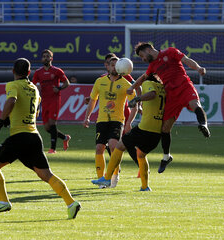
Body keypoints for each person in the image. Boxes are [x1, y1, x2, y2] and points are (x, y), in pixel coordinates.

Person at [0, 58, 81, 219]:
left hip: (19, 137)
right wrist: (14, 117)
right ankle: (71, 203)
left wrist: (1, 122)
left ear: (13, 71)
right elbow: (35, 111)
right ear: (29, 73)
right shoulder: (34, 89)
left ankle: (3, 202)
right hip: (34, 136)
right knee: (46, 174)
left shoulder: (12, 85)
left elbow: (12, 100)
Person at [127, 42, 211, 174]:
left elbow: (187, 60)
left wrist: (199, 68)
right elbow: (143, 78)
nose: (143, 59)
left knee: (195, 104)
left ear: (149, 50)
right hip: (170, 95)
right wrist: (132, 87)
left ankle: (203, 124)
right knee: (165, 128)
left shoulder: (170, 52)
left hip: (184, 86)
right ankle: (166, 157)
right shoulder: (152, 66)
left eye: (143, 56)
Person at [92, 73, 166, 191]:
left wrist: (138, 98)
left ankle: (107, 178)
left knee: (120, 146)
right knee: (141, 155)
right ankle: (145, 186)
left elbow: (151, 94)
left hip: (144, 128)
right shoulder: (162, 88)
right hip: (157, 131)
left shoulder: (148, 84)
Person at [84, 53, 142, 177]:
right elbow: (93, 99)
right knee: (100, 148)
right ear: (108, 67)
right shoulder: (100, 81)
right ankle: (101, 178)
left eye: (116, 65)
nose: (114, 67)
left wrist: (129, 121)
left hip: (118, 119)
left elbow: (135, 100)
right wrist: (87, 117)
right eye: (112, 65)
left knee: (115, 146)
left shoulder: (127, 83)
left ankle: (116, 175)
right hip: (102, 120)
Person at [32, 49, 71, 154]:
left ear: (51, 58)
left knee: (52, 123)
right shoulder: (38, 72)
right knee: (47, 127)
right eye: (44, 56)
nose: (46, 58)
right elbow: (32, 84)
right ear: (42, 58)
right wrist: (36, 89)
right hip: (44, 101)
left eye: (47, 56)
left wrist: (59, 89)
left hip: (54, 100)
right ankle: (65, 137)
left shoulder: (57, 71)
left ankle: (52, 149)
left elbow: (67, 83)